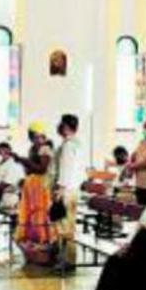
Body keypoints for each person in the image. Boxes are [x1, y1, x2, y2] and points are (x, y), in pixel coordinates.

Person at [13, 121, 57, 263]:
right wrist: (22, 162)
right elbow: (30, 169)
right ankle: (33, 244)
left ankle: (44, 242)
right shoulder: (33, 149)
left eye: (40, 137)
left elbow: (42, 169)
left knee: (41, 213)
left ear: (44, 137)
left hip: (41, 186)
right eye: (34, 137)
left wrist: (24, 160)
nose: (38, 140)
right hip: (31, 186)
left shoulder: (45, 149)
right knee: (30, 214)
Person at [52, 114, 83, 270]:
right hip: (73, 189)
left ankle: (67, 260)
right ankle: (67, 258)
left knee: (64, 226)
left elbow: (65, 169)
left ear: (65, 127)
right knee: (68, 225)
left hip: (66, 191)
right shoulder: (77, 144)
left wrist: (60, 190)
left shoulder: (69, 146)